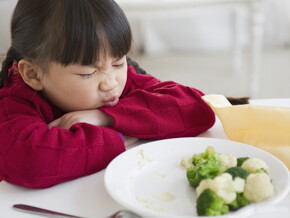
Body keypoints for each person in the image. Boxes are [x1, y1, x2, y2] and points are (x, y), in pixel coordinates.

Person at [0, 0, 215, 188]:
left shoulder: (122, 78)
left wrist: (105, 117)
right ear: (33, 74)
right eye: (89, 72)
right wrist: (124, 137)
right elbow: (31, 161)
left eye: (119, 62)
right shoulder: (13, 101)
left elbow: (198, 108)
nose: (111, 83)